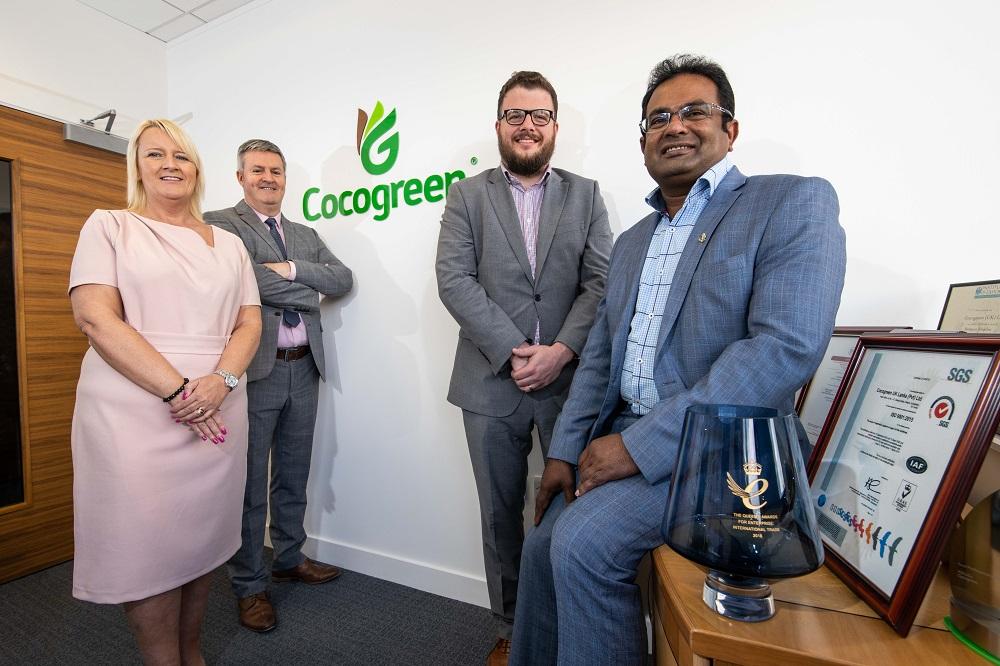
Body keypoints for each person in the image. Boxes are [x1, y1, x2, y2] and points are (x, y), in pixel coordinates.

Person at [510, 54, 848, 665]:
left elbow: (782, 350)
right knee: (540, 545)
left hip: (723, 456)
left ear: (731, 130)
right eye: (658, 117)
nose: (675, 125)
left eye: (695, 111)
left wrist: (640, 448)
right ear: (643, 141)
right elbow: (601, 357)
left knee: (583, 544)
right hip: (621, 433)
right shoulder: (634, 240)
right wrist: (563, 451)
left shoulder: (790, 203)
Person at [69, 118, 262, 664]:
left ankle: (192, 652)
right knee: (147, 545)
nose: (170, 164)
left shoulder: (229, 243)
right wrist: (181, 392)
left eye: (181, 155)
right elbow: (96, 319)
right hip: (135, 414)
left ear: (197, 168)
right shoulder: (108, 226)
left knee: (200, 541)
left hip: (220, 410)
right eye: (155, 155)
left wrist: (219, 383)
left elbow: (249, 323)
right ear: (137, 166)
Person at [436, 71, 613, 665]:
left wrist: (560, 351)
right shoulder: (466, 195)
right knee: (499, 513)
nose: (527, 125)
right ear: (499, 126)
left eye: (539, 115)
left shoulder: (586, 194)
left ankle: (566, 620)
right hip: (490, 386)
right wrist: (516, 349)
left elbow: (602, 282)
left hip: (569, 386)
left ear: (555, 126)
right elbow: (453, 280)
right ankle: (513, 627)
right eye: (516, 114)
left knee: (575, 510)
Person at [204, 139, 353, 633]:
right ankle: (249, 583)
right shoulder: (222, 223)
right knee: (249, 484)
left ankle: (289, 556)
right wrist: (312, 290)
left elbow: (344, 278)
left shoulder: (305, 233)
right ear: (241, 177)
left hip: (304, 365)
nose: (269, 178)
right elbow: (247, 283)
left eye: (277, 171)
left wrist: (289, 270)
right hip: (255, 370)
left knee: (294, 472)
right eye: (258, 170)